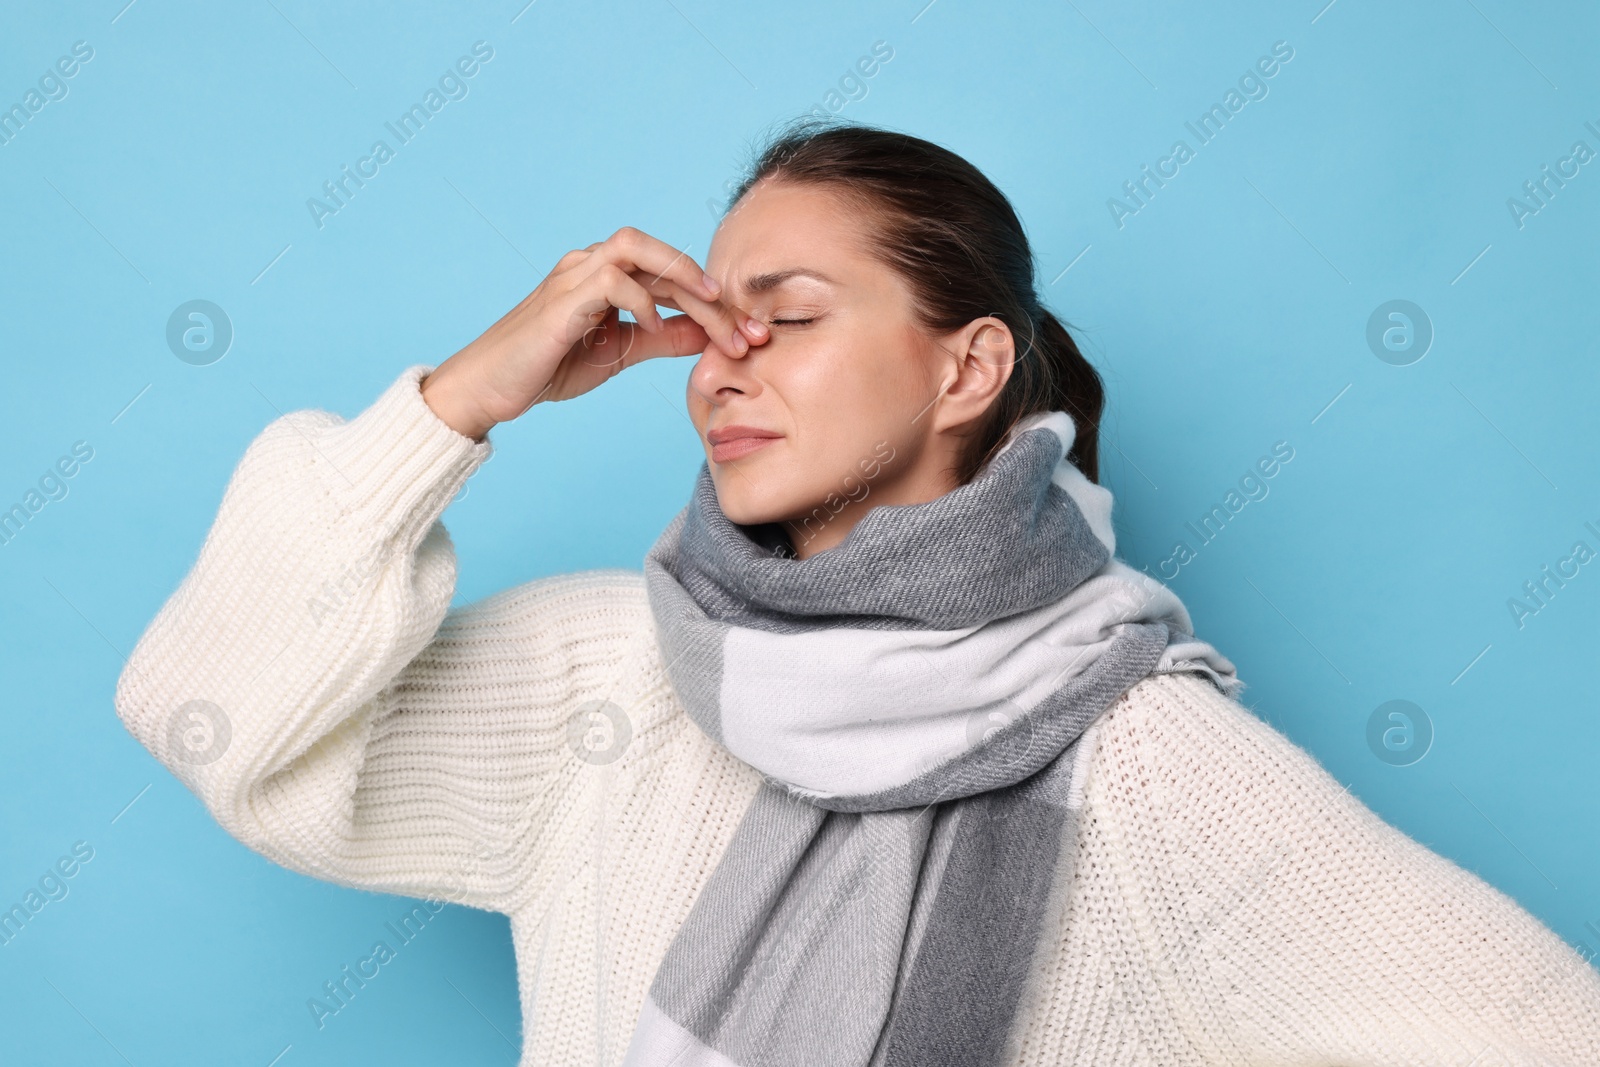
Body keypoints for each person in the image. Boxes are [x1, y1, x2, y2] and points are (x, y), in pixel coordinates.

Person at [115, 118, 1600, 1066]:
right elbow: (209, 720)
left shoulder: (1146, 769)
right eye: (708, 324)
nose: (721, 363)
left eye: (791, 320)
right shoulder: (611, 681)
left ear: (967, 369)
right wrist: (455, 405)